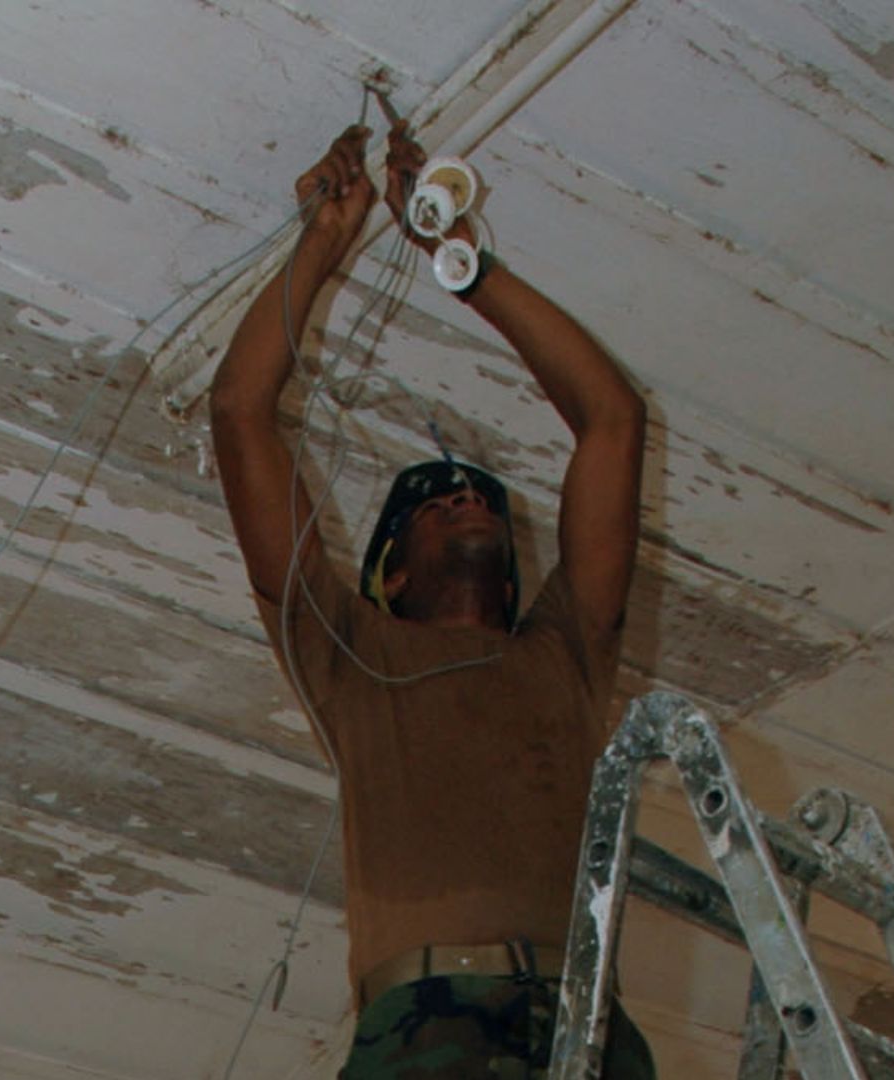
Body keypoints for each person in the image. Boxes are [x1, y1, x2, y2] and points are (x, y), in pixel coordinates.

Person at [209, 121, 654, 1077]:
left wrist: (464, 264)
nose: (462, 496)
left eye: (479, 499)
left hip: (585, 1030)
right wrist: (321, 245)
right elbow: (240, 414)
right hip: (425, 1029)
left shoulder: (564, 652)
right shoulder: (351, 655)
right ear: (391, 577)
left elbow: (612, 419)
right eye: (429, 504)